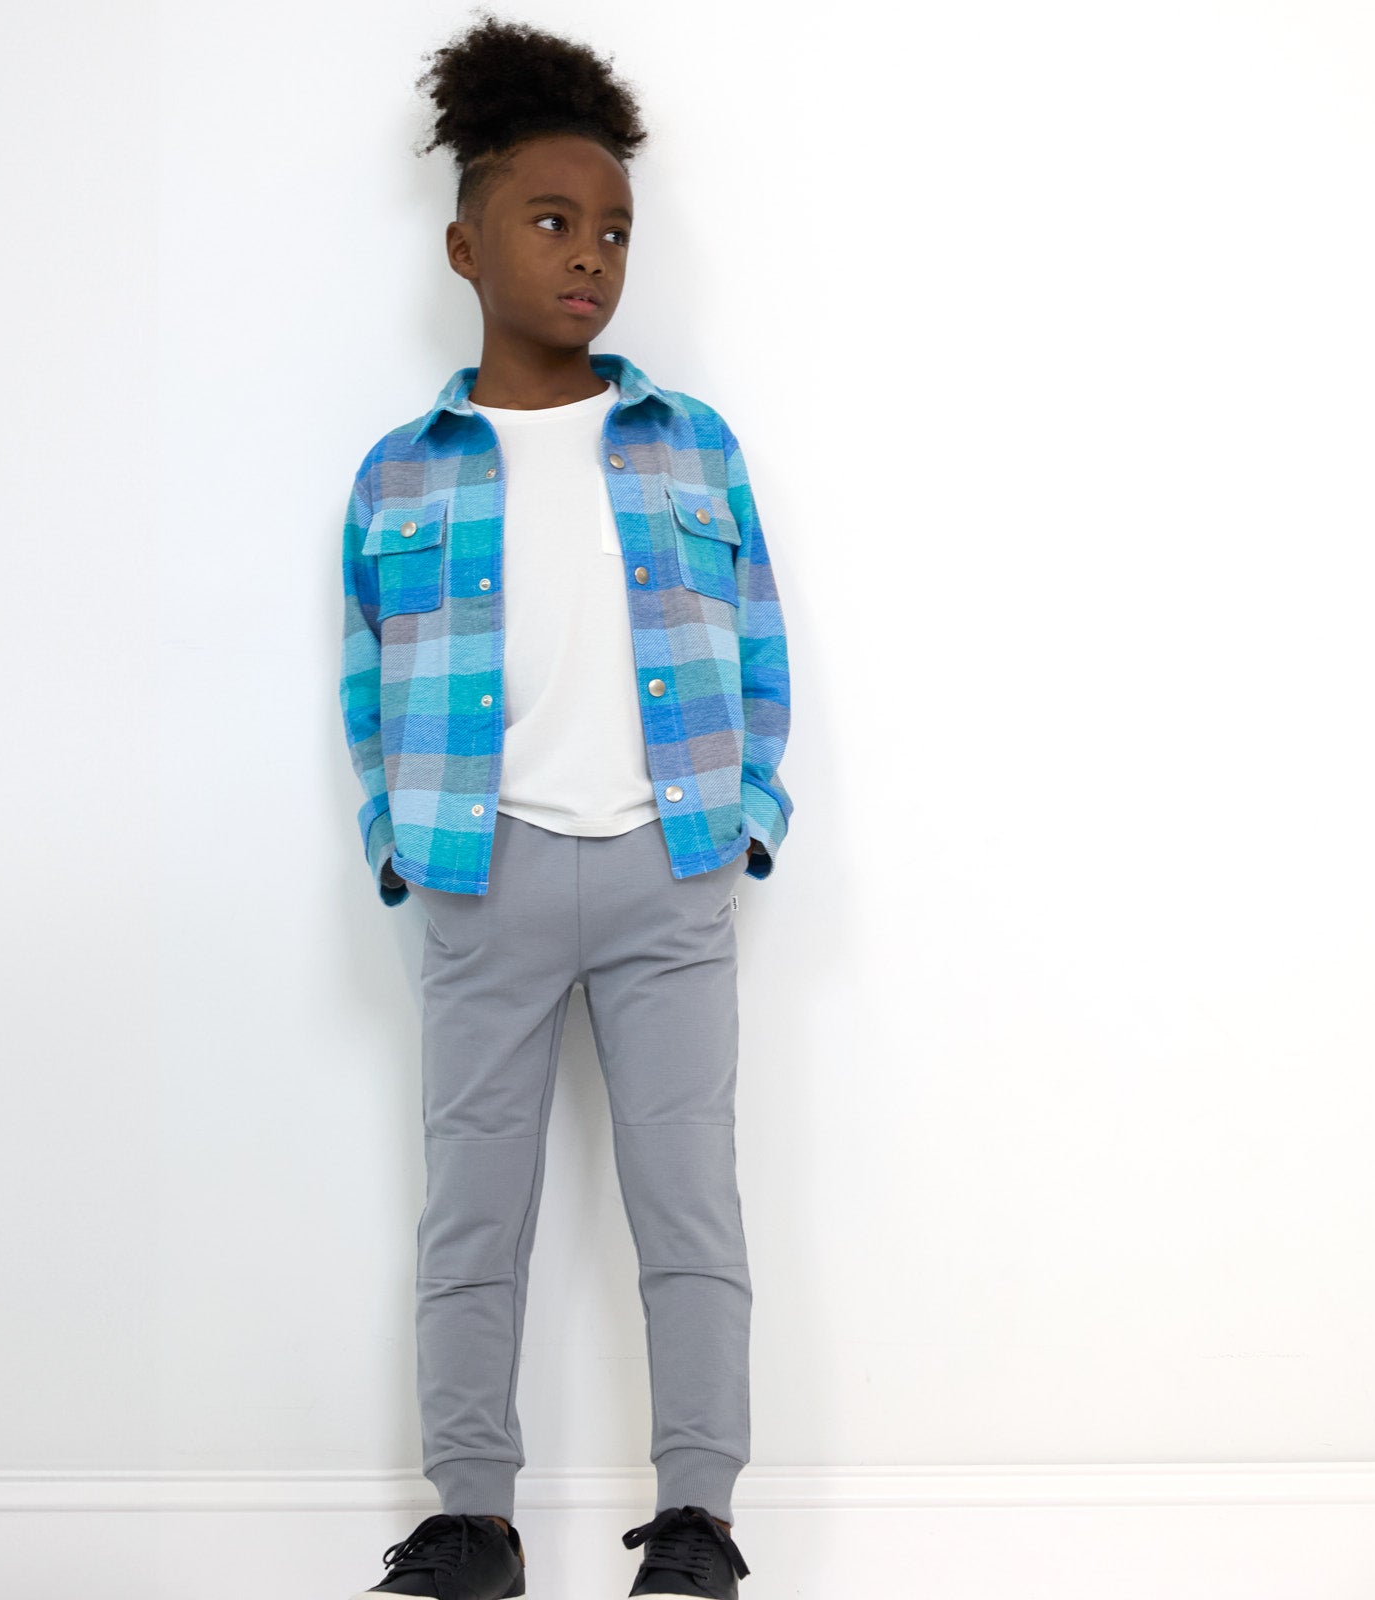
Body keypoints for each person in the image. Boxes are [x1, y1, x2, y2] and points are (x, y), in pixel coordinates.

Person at [337, 16, 792, 1598]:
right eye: (550, 222)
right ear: (465, 243)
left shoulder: (688, 443)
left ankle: (698, 1518)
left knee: (690, 1204)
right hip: (485, 873)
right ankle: (471, 1514)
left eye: (611, 230)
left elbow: (761, 641)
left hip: (670, 874)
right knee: (472, 1210)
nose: (588, 256)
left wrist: (750, 819)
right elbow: (366, 676)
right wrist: (404, 845)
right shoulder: (404, 473)